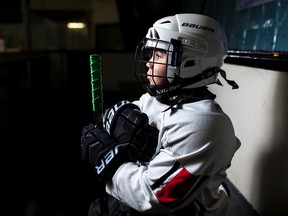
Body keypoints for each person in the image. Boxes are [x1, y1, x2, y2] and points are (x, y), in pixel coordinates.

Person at [81, 13, 241, 216]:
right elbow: (120, 116)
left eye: (158, 55)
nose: (148, 62)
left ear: (188, 62)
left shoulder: (206, 125)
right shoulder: (160, 97)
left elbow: (154, 197)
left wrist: (108, 160)